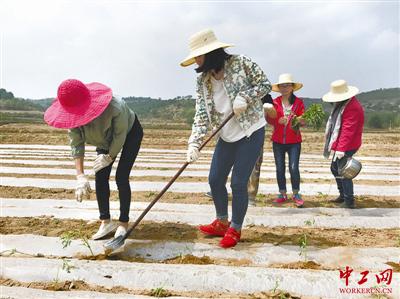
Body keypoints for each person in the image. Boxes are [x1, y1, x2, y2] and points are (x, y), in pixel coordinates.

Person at [181, 29, 272, 248]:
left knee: (239, 183)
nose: (196, 61)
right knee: (214, 179)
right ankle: (222, 221)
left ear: (211, 52)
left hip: (250, 130)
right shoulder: (203, 81)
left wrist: (245, 97)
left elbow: (265, 85)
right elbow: (202, 113)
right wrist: (194, 142)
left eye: (198, 56)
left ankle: (235, 227)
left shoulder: (242, 64)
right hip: (227, 135)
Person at [44, 79, 143, 239]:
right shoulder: (72, 118)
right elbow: (76, 144)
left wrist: (109, 156)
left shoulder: (115, 107)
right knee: (100, 176)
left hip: (129, 133)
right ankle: (106, 221)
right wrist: (80, 176)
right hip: (104, 139)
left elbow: (119, 136)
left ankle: (123, 223)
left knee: (121, 177)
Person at [206, 94, 276, 207]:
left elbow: (274, 115)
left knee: (254, 167)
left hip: (254, 135)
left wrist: (269, 108)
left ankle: (250, 196)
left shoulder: (265, 95)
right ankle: (218, 190)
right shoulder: (234, 89)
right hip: (233, 133)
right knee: (225, 163)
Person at [322, 79, 364, 209]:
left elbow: (348, 130)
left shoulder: (352, 108)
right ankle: (343, 195)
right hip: (342, 143)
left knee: (344, 172)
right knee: (335, 169)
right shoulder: (342, 104)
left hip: (348, 144)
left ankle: (349, 201)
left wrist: (341, 149)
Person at [266, 74, 305, 207]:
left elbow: (303, 120)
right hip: (278, 141)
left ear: (292, 87)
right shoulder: (275, 102)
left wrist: (299, 120)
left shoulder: (299, 103)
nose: (284, 88)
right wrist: (277, 121)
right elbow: (268, 119)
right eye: (282, 86)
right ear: (279, 88)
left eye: (287, 85)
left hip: (294, 142)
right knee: (280, 168)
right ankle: (282, 193)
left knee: (293, 168)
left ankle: (296, 193)